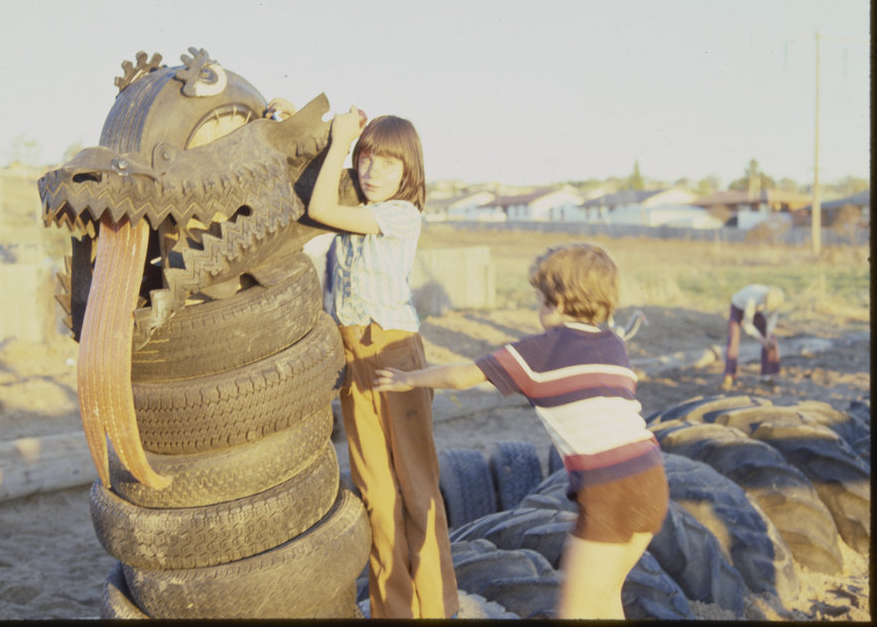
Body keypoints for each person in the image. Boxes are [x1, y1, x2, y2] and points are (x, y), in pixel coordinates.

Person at [374, 243, 668, 620]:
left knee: (576, 609)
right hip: (651, 475)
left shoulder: (539, 352)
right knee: (607, 594)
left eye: (539, 298)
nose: (538, 306)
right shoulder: (613, 343)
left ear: (556, 302)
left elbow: (464, 376)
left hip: (608, 488)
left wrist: (408, 378)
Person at [271, 97, 459, 619]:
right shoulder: (360, 206)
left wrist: (341, 142)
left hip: (394, 351)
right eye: (367, 158)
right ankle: (393, 613)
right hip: (353, 352)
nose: (373, 171)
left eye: (389, 162)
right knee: (375, 492)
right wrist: (302, 127)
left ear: (410, 170)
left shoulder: (398, 214)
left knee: (417, 487)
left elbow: (319, 209)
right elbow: (316, 187)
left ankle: (439, 610)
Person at [721, 284, 784, 390]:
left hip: (756, 312)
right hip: (738, 307)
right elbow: (747, 324)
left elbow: (772, 319)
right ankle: (729, 375)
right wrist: (762, 340)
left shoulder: (776, 300)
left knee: (771, 341)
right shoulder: (753, 298)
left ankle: (767, 375)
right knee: (733, 340)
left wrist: (767, 336)